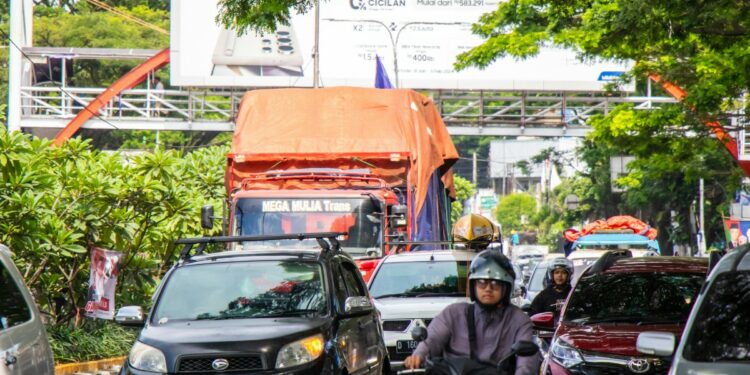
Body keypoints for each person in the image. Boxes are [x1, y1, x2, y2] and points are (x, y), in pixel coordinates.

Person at [403, 215, 538, 375]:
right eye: (481, 282)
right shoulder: (453, 313)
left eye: (495, 283)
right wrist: (417, 356)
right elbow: (432, 339)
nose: (488, 288)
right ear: (473, 286)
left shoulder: (519, 320)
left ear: (506, 287)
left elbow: (526, 365)